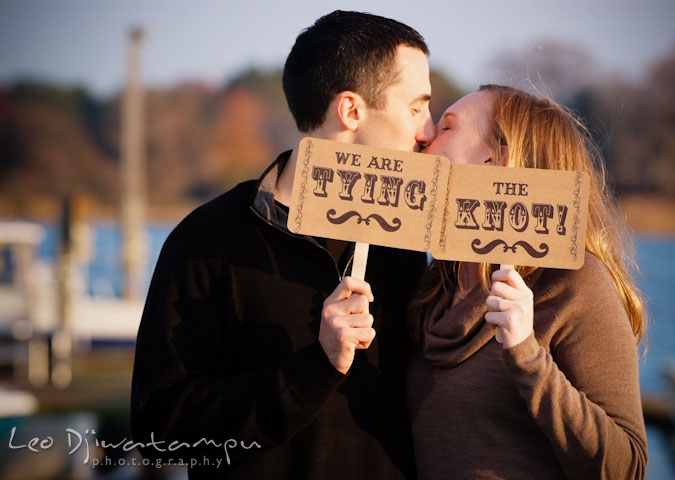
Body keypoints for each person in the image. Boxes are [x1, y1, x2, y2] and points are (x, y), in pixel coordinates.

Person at [131, 10, 434, 479]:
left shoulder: (409, 244)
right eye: (416, 107)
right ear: (352, 110)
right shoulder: (208, 240)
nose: (427, 130)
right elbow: (159, 431)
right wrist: (316, 366)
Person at [406, 85, 648, 479]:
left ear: (498, 159)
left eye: (447, 128)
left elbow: (627, 468)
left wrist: (527, 356)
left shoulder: (574, 283)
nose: (426, 137)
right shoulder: (433, 287)